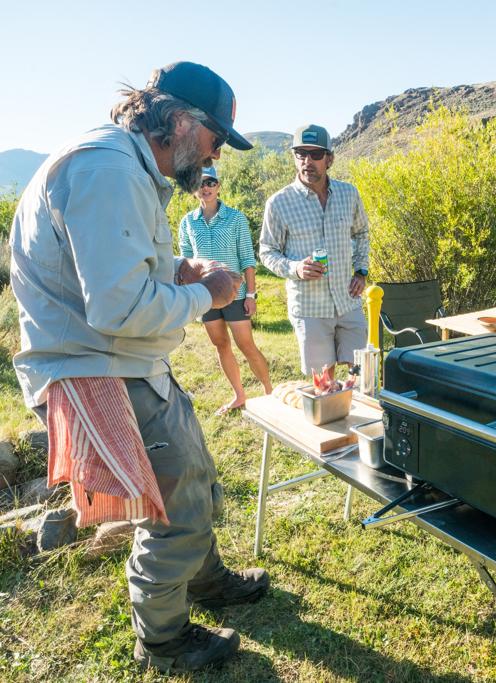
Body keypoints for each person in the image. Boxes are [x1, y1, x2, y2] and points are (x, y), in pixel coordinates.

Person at [10, 61, 270, 673]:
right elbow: (118, 306)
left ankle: (204, 580)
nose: (212, 161)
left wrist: (181, 268)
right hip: (99, 369)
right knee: (174, 504)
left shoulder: (127, 167)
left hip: (127, 362)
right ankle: (164, 639)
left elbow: (125, 265)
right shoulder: (107, 170)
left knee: (195, 473)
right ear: (180, 121)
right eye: (212, 141)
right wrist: (209, 295)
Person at [259, 124, 370, 377]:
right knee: (324, 381)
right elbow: (267, 251)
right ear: (294, 157)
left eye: (316, 154)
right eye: (301, 153)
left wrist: (361, 271)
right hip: (310, 308)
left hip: (348, 301)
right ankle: (331, 414)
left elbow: (361, 233)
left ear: (329, 159)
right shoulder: (278, 203)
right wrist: (295, 268)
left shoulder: (348, 194)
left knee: (362, 373)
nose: (307, 161)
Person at [179, 167, 272, 413]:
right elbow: (185, 264)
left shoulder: (236, 218)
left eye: (210, 182)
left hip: (236, 295)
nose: (205, 187)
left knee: (246, 345)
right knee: (221, 345)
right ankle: (239, 396)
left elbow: (247, 260)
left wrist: (251, 295)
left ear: (219, 186)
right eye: (200, 182)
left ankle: (269, 394)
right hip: (205, 297)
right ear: (194, 188)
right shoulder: (188, 222)